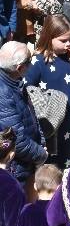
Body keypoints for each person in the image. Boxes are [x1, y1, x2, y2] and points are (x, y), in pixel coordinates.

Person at [25, 14, 70, 169]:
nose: (68, 44)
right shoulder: (38, 61)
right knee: (50, 167)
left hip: (68, 122)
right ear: (49, 37)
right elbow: (26, 89)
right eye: (63, 40)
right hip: (49, 127)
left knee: (67, 161)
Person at [0, 41, 46, 186]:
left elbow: (32, 115)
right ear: (19, 68)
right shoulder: (4, 93)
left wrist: (42, 142)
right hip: (16, 170)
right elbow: (16, 140)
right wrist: (41, 154)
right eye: (29, 61)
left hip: (25, 164)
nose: (31, 66)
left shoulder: (15, 81)